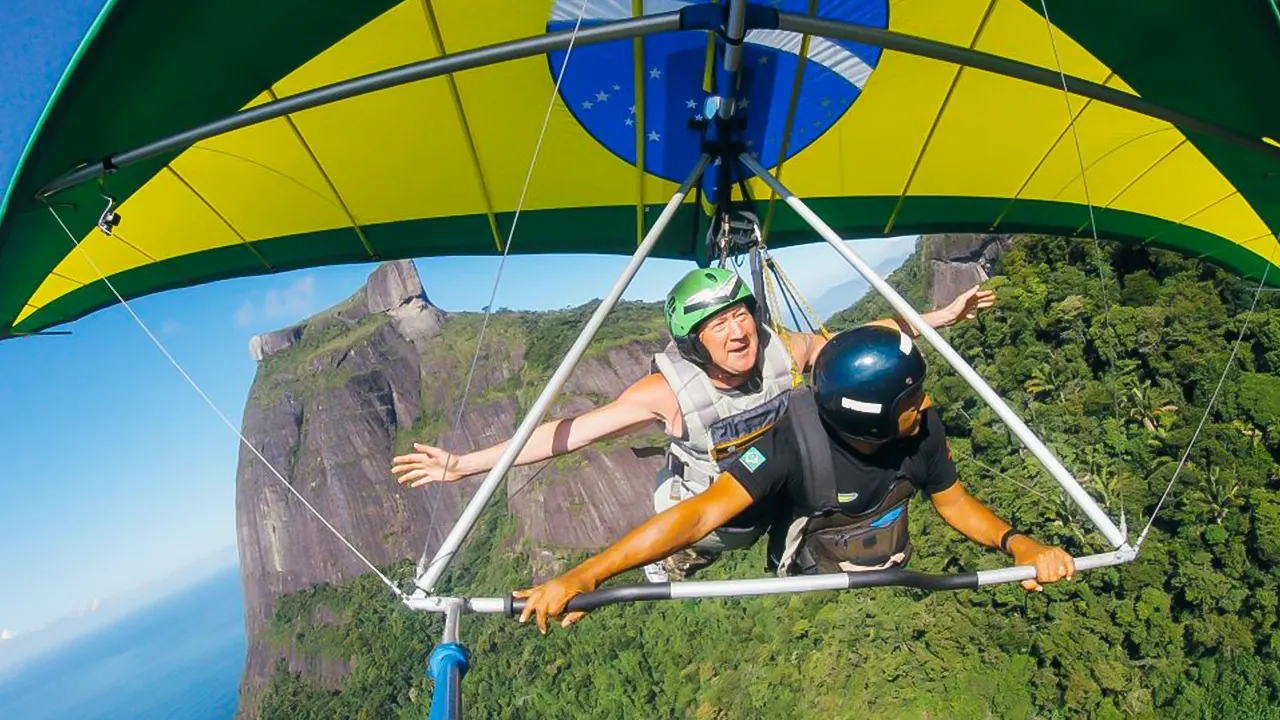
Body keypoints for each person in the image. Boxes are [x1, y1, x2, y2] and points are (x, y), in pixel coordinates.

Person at [392, 267, 995, 580]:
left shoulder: (780, 348)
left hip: (771, 487)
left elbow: (859, 349)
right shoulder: (667, 390)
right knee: (694, 542)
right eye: (717, 324)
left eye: (740, 314)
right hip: (708, 509)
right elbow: (569, 432)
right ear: (694, 340)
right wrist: (462, 465)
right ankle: (667, 553)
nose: (738, 332)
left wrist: (942, 314)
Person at [514, 325, 1075, 633]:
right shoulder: (788, 443)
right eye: (910, 401)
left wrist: (1019, 544)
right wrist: (586, 576)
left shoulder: (922, 428)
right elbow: (701, 512)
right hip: (805, 531)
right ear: (870, 417)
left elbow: (954, 502)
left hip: (871, 537)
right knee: (712, 533)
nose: (926, 405)